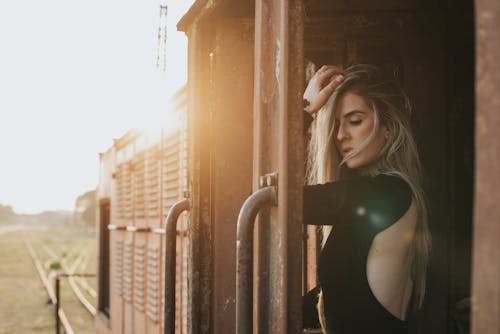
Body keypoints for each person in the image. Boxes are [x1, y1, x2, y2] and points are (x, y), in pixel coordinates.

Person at [301, 64, 431, 334]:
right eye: (336, 124)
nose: (340, 135)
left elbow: (281, 200)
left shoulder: (386, 195)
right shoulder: (387, 196)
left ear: (388, 129)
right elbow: (345, 299)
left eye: (355, 120)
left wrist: (305, 110)